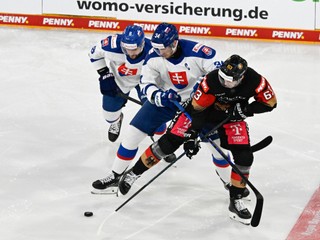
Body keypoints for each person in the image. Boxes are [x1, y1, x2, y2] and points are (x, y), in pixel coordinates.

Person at [118, 54, 277, 225]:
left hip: (231, 117)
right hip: (200, 112)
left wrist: (246, 109)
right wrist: (192, 135)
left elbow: (270, 103)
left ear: (242, 77)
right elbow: (198, 111)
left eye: (230, 81)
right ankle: (133, 173)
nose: (225, 83)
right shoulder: (211, 81)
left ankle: (235, 199)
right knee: (168, 144)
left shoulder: (256, 81)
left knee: (245, 157)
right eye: (223, 78)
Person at [91, 22, 223, 193]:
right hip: (167, 99)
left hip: (198, 105)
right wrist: (158, 96)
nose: (159, 53)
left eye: (163, 49)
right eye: (156, 48)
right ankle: (116, 175)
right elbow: (146, 83)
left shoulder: (198, 52)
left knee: (217, 148)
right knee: (132, 133)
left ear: (174, 43)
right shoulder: (153, 55)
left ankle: (234, 190)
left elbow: (218, 75)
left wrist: (202, 88)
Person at [88, 25, 167, 142]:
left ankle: (161, 143)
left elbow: (165, 71)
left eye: (134, 49)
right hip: (120, 80)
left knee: (157, 118)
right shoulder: (111, 45)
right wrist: (104, 74)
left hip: (145, 82)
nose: (131, 54)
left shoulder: (154, 52)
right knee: (109, 116)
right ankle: (117, 120)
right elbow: (93, 54)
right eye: (127, 50)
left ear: (142, 45)